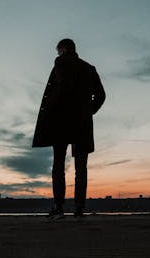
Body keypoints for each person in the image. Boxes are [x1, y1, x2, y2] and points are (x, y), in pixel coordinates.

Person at [32, 38, 106, 219]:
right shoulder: (90, 68)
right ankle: (79, 208)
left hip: (61, 121)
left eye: (58, 51)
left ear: (63, 49)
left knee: (58, 165)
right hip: (82, 123)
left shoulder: (61, 62)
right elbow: (101, 95)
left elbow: (63, 86)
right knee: (81, 168)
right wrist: (88, 111)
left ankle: (58, 206)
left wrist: (53, 110)